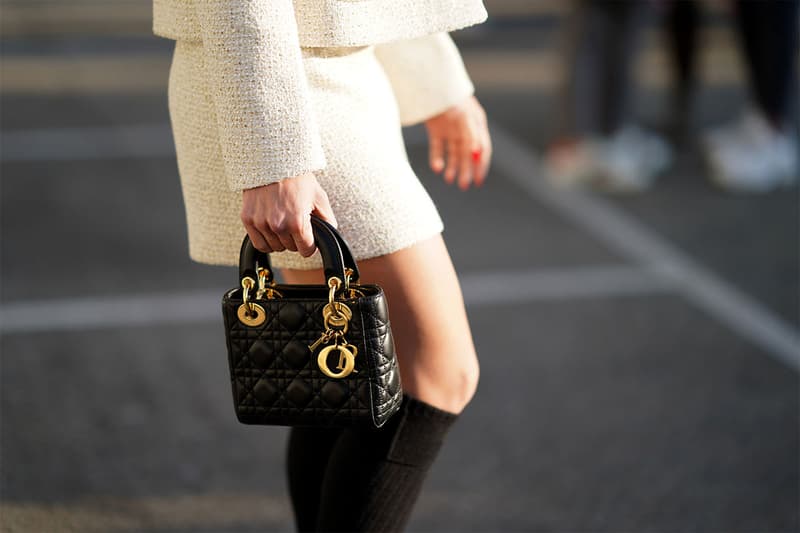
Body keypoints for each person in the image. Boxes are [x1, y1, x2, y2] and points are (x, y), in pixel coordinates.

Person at [152, 0, 492, 530]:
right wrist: (275, 157)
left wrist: (439, 83)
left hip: (340, 69)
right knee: (434, 374)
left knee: (345, 373)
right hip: (286, 85)